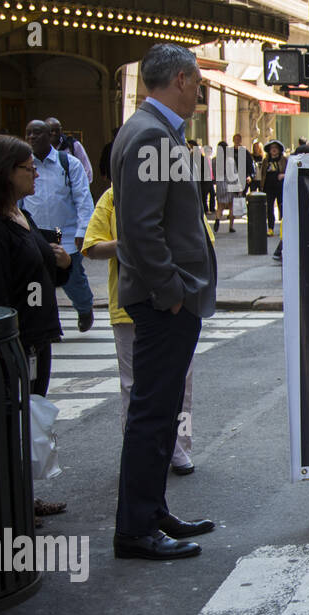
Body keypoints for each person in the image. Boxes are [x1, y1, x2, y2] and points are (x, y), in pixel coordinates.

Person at [109, 43, 216, 560]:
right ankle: (136, 528)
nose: (199, 91)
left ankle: (151, 511)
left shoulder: (150, 129)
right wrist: (172, 292)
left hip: (165, 297)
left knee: (162, 408)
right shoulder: (152, 134)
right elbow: (140, 229)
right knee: (154, 414)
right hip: (164, 301)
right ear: (180, 79)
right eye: (197, 82)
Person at [82, 183, 204, 475]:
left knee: (181, 383)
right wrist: (129, 244)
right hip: (129, 308)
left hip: (176, 303)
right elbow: (91, 246)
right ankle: (138, 452)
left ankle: (178, 448)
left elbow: (201, 242)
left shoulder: (179, 192)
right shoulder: (113, 195)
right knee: (133, 385)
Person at [0, 134, 74, 522]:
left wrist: (62, 262)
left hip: (38, 336)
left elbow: (43, 269)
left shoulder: (21, 214)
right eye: (28, 168)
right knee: (10, 420)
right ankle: (10, 503)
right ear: (5, 173)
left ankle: (24, 493)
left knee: (29, 415)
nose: (36, 173)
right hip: (17, 341)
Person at [21, 118, 95, 332]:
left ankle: (84, 308)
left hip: (65, 234)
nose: (32, 138)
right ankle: (41, 321)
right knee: (36, 281)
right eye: (28, 134)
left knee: (73, 279)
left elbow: (83, 199)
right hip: (35, 234)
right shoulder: (24, 165)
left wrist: (83, 231)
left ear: (50, 137)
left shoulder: (69, 163)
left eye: (37, 133)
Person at [45, 118, 95, 190]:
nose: (54, 133)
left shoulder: (73, 145)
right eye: (51, 130)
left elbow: (87, 170)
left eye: (57, 130)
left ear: (61, 130)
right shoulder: (41, 148)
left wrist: (81, 189)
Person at [257, 140, 287, 237]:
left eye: (275, 148)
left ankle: (283, 228)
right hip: (268, 187)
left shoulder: (284, 160)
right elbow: (263, 174)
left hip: (280, 187)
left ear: (279, 150)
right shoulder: (266, 160)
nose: (273, 150)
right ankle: (270, 228)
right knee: (269, 208)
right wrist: (261, 186)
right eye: (272, 148)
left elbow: (290, 172)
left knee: (282, 207)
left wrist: (283, 175)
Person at [210, 140, 239, 233]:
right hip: (230, 184)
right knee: (231, 206)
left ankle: (218, 219)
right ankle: (231, 226)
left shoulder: (214, 160)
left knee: (220, 206)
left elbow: (213, 173)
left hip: (220, 184)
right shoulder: (230, 160)